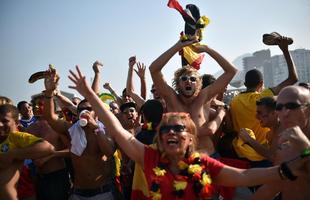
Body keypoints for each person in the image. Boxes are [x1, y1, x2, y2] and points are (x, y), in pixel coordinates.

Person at [68, 66, 309, 200]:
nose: (173, 132)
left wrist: (296, 162)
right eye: (167, 129)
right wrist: (90, 96)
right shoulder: (150, 159)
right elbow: (118, 130)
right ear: (160, 136)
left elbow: (244, 178)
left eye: (180, 128)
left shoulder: (204, 165)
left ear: (190, 137)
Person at [149, 38, 237, 156]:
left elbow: (231, 71)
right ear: (178, 84)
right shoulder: (171, 98)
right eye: (184, 79)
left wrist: (207, 49)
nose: (188, 81)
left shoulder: (205, 96)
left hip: (208, 157)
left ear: (199, 83)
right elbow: (154, 69)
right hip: (180, 159)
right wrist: (178, 46)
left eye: (193, 79)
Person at [43, 66, 117, 199]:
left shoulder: (105, 129)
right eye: (81, 109)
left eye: (89, 108)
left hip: (103, 192)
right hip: (78, 193)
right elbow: (50, 118)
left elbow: (109, 152)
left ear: (96, 111)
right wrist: (49, 93)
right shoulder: (71, 129)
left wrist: (96, 128)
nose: (85, 111)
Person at [229, 34, 298, 146]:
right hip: (262, 153)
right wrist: (285, 50)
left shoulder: (234, 101)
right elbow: (293, 78)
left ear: (245, 84)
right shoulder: (264, 96)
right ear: (261, 84)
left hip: (240, 153)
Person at [252, 86, 310, 200]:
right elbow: (272, 187)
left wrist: (306, 149)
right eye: (279, 107)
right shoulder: (285, 145)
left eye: (292, 106)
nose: (285, 113)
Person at [0, 104, 55, 199]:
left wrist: (13, 154)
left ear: (16, 122)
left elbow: (48, 148)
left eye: (5, 121)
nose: (0, 124)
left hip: (23, 193)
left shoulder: (15, 137)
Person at [26, 94, 70, 200]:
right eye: (34, 105)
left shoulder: (58, 126)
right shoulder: (30, 129)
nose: (36, 107)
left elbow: (72, 151)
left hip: (57, 177)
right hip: (38, 178)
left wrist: (51, 155)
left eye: (40, 104)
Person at [238, 97, 283, 161]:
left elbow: (272, 156)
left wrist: (249, 139)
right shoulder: (269, 134)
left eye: (260, 113)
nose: (256, 116)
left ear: (274, 113)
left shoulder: (282, 129)